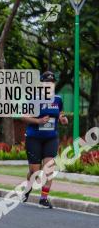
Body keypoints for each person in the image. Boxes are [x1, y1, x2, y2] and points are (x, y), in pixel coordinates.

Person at [22, 71, 68, 208]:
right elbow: (23, 117)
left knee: (49, 168)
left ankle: (44, 198)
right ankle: (28, 187)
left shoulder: (58, 99)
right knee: (34, 171)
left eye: (51, 82)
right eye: (46, 82)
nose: (49, 85)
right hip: (33, 138)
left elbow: (60, 113)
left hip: (51, 138)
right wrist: (39, 121)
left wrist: (62, 118)